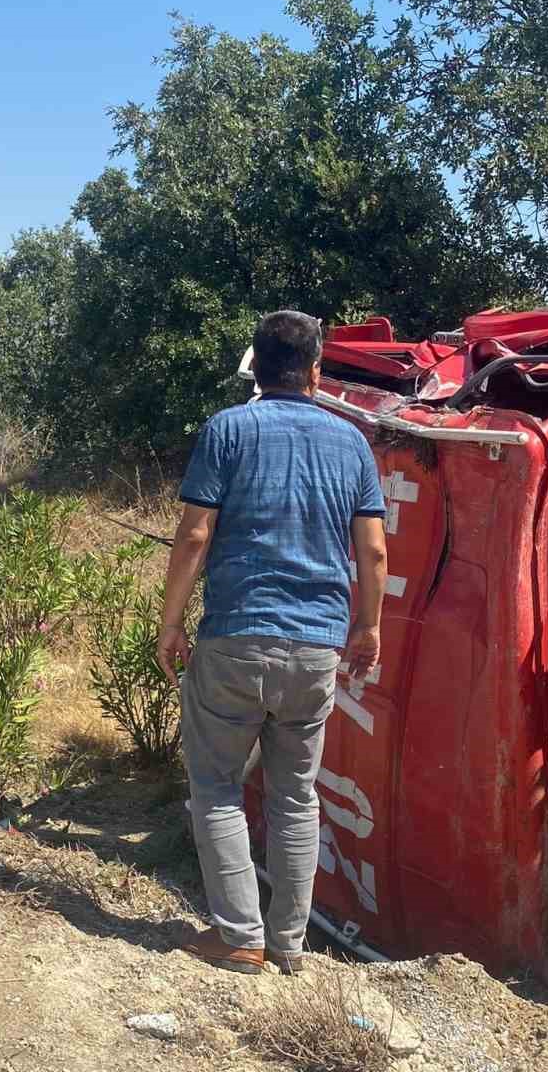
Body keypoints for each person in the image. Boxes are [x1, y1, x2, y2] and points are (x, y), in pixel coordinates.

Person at [157, 310, 389, 975]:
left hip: (234, 636)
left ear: (254, 367)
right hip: (316, 648)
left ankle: (238, 935)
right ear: (317, 371)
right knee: (295, 797)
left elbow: (196, 535)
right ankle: (288, 945)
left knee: (217, 785)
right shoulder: (352, 444)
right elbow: (372, 550)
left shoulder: (227, 430)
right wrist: (367, 628)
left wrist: (171, 623)